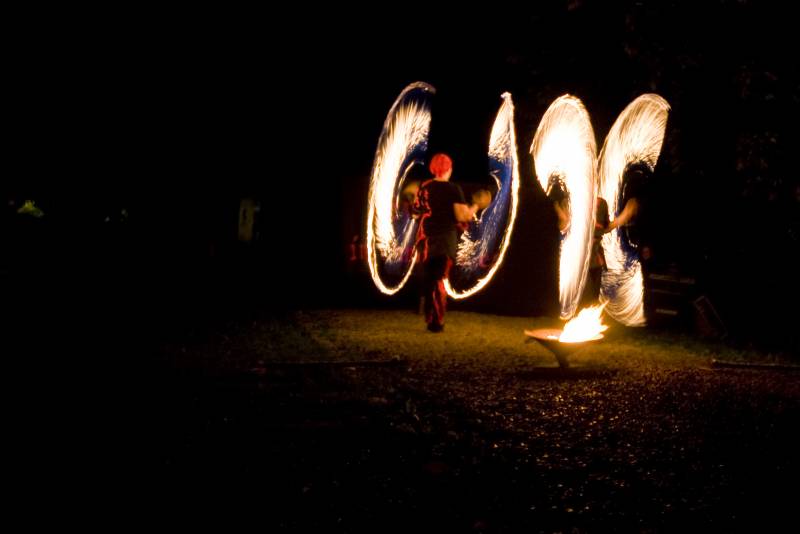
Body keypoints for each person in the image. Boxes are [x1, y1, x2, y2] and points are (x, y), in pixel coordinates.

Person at [413, 153, 490, 332]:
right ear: (448, 169)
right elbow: (462, 215)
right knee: (440, 279)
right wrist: (476, 206)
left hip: (425, 239)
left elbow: (416, 212)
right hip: (444, 239)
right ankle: (436, 321)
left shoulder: (424, 187)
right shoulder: (452, 189)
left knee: (431, 278)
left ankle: (430, 316)